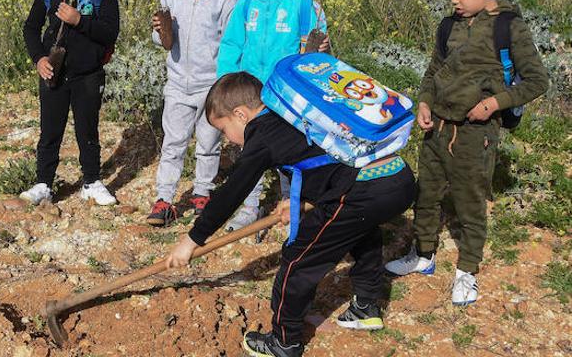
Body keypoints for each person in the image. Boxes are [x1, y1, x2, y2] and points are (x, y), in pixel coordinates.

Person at [165, 72, 416, 357]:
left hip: (363, 191)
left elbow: (230, 194)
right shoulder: (291, 114)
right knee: (361, 231)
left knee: (298, 261)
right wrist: (298, 201)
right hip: (396, 177)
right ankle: (366, 307)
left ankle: (284, 342)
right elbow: (324, 160)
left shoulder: (261, 134)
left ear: (241, 115)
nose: (229, 140)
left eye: (224, 130)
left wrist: (191, 240)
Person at [385, 0, 548, 306]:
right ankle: (423, 255)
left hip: (477, 135)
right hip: (436, 128)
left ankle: (467, 271)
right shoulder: (449, 25)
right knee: (425, 194)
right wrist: (424, 102)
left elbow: (537, 81)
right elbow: (432, 72)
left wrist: (494, 103)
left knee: (470, 202)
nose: (454, 0)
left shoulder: (509, 28)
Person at [216, 0, 330, 231]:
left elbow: (319, 55)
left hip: (288, 100)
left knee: (288, 156)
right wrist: (227, 87)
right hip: (251, 99)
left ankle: (289, 204)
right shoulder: (245, 5)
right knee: (249, 155)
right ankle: (249, 208)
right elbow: (231, 46)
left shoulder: (305, 5)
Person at [20, 0, 121, 207]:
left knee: (87, 130)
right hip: (54, 73)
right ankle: (43, 183)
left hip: (88, 74)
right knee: (50, 130)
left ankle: (91, 181)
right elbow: (30, 28)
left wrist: (80, 20)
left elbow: (110, 32)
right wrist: (39, 59)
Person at [147, 0, 237, 226]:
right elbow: (162, 41)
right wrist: (162, 29)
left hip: (212, 88)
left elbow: (230, 43)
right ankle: (164, 199)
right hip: (177, 86)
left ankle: (202, 193)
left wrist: (225, 86)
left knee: (209, 144)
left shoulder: (226, 0)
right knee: (173, 142)